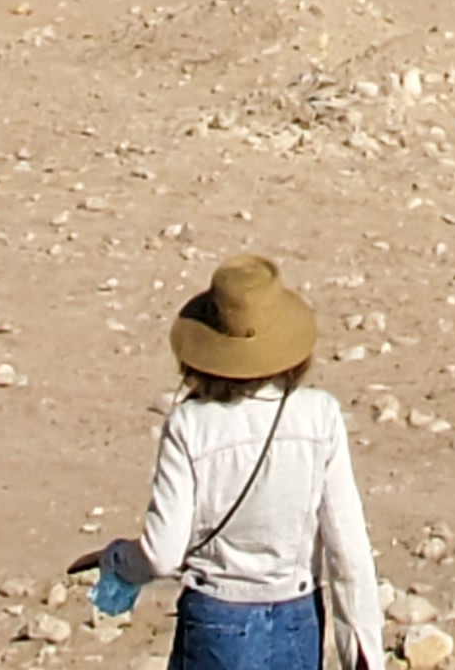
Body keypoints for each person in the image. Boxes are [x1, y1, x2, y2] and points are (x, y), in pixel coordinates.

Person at [69, 256, 378, 670]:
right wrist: (363, 654)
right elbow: (349, 549)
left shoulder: (190, 425)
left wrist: (119, 562)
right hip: (297, 622)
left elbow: (163, 554)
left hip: (217, 621)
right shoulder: (319, 416)